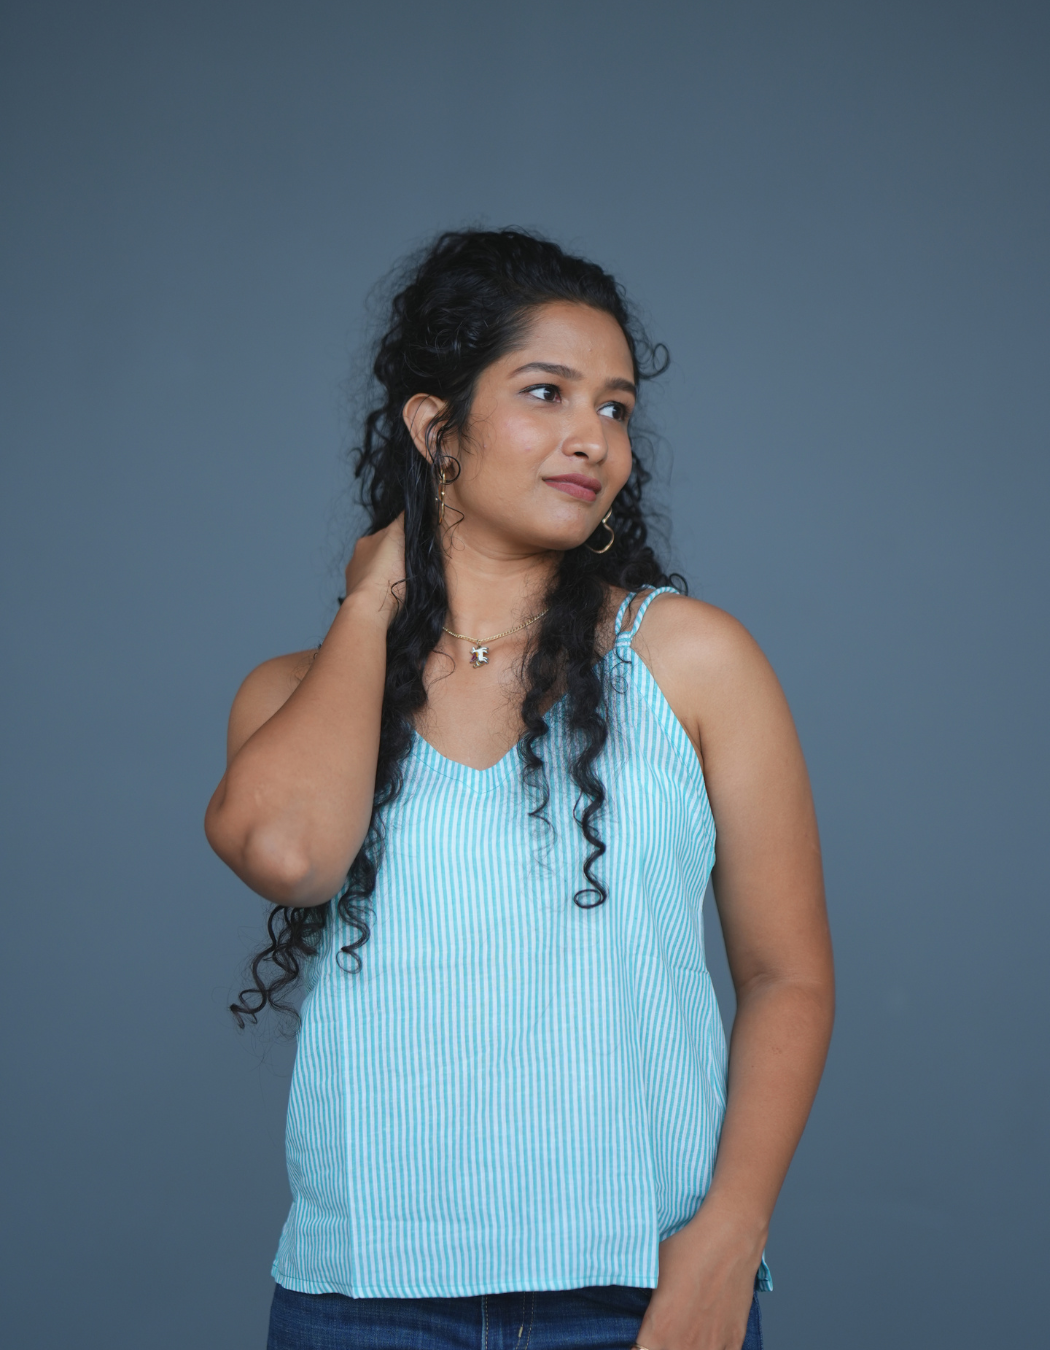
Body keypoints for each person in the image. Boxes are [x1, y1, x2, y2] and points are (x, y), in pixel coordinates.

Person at [204, 228, 835, 1350]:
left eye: (617, 409)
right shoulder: (299, 692)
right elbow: (289, 854)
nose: (592, 438)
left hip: (639, 1294)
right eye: (547, 393)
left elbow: (786, 974)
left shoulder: (691, 662)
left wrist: (728, 1241)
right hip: (362, 1302)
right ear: (435, 427)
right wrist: (370, 604)